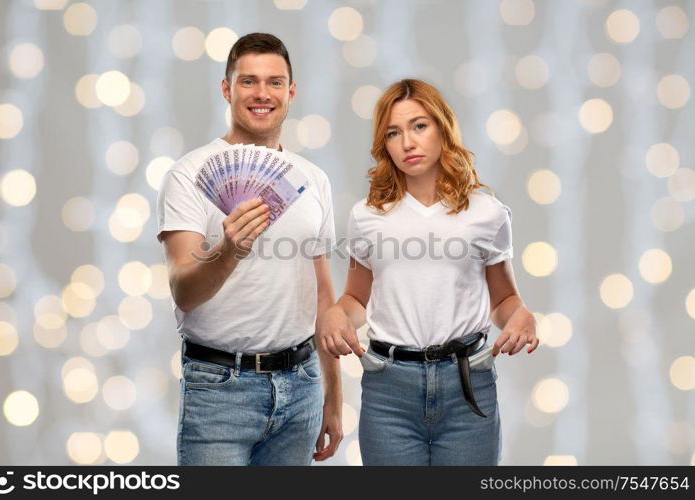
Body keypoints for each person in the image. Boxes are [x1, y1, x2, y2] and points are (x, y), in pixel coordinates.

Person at [318, 79, 538, 466]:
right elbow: (356, 298)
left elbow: (503, 299)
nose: (408, 142)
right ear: (383, 144)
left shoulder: (486, 212)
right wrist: (338, 313)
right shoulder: (367, 217)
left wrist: (521, 316)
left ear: (442, 127)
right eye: (393, 132)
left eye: (419, 126)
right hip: (389, 392)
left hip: (468, 389)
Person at [156, 33, 342, 465]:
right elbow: (183, 290)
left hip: (301, 387)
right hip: (219, 389)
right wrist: (229, 250)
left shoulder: (312, 179)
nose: (262, 94)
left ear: (291, 92)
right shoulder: (188, 175)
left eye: (275, 82)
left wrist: (333, 395)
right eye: (248, 82)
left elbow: (323, 296)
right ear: (227, 89)